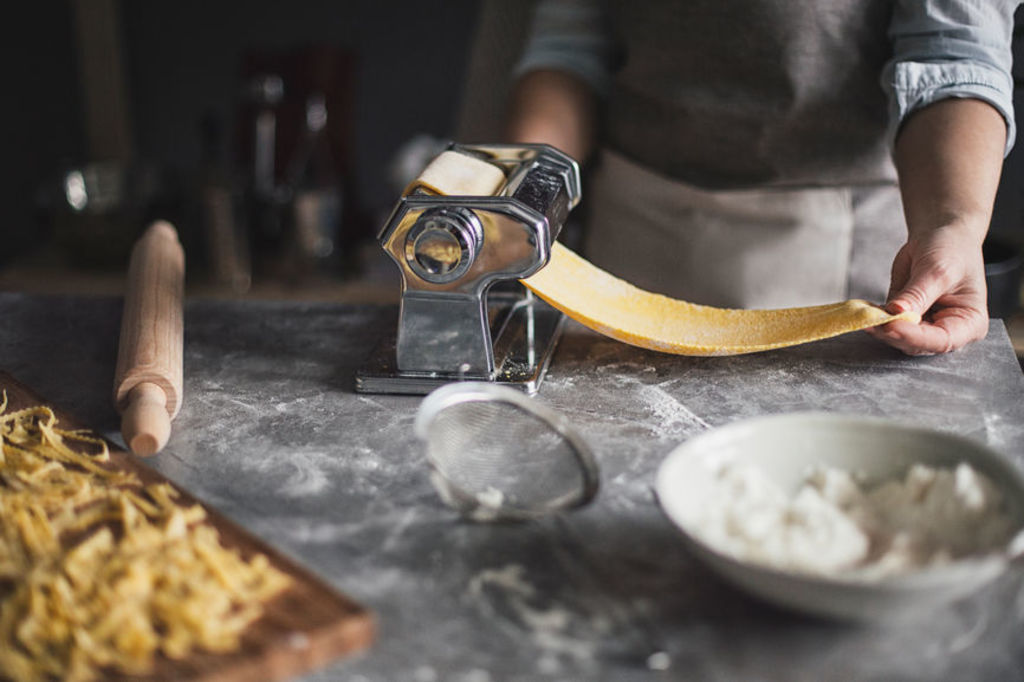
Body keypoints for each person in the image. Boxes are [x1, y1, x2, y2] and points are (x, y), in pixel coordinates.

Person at [504, 0, 1019, 355]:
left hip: (840, 250)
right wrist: (517, 201)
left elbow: (950, 53)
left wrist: (953, 223)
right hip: (633, 232)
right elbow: (570, 48)